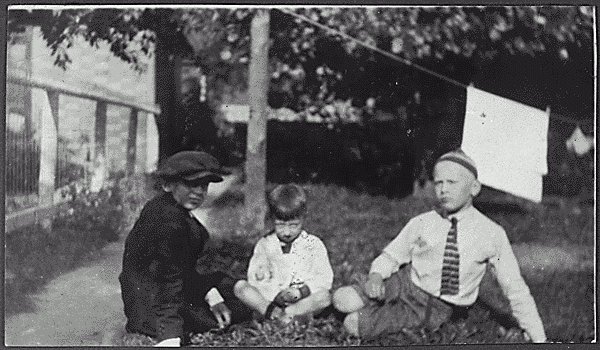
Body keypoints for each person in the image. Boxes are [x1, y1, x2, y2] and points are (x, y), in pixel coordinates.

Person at [332, 149, 547, 343]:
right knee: (342, 299)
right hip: (405, 282)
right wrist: (377, 276)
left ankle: (374, 314)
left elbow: (515, 289)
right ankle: (368, 302)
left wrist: (538, 338)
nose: (444, 190)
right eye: (438, 183)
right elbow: (392, 255)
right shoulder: (424, 221)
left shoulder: (492, 234)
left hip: (432, 306)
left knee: (352, 324)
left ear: (474, 188)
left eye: (452, 183)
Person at [119, 151, 252, 347]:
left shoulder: (169, 209)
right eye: (190, 184)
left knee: (224, 284)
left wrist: (213, 297)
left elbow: (184, 272)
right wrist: (170, 336)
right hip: (152, 308)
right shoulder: (168, 223)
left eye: (204, 185)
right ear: (168, 184)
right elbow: (169, 280)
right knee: (236, 312)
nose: (198, 192)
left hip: (154, 297)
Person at [233, 184, 334, 323]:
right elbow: (256, 278)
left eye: (293, 225)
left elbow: (324, 278)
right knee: (241, 287)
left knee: (325, 296)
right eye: (280, 225)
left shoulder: (313, 244)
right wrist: (276, 296)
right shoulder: (265, 245)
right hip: (271, 301)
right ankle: (276, 314)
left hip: (302, 301)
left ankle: (289, 315)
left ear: (303, 218)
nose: (287, 232)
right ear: (271, 219)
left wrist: (301, 292)